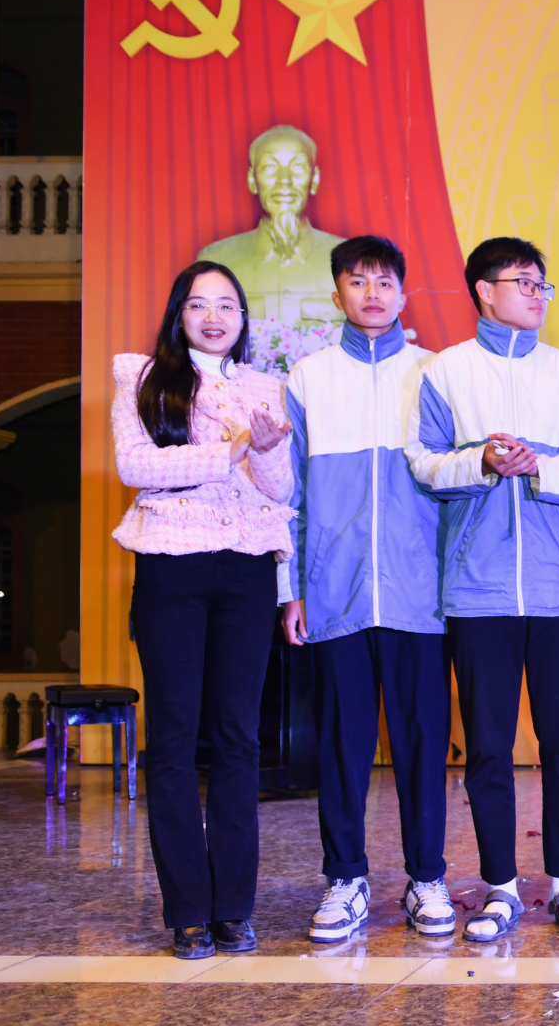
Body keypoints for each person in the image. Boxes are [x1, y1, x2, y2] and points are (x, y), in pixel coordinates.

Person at [408, 237, 559, 943]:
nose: (536, 294)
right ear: (483, 291)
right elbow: (424, 463)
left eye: (541, 283)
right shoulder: (445, 371)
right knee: (488, 747)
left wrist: (538, 466)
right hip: (479, 590)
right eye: (522, 281)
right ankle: (500, 888)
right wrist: (484, 462)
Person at [111, 261, 293, 959]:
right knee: (174, 738)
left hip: (245, 569)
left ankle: (234, 909)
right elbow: (136, 466)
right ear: (178, 314)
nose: (213, 316)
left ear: (243, 319)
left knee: (239, 737)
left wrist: (264, 451)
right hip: (171, 563)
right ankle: (188, 910)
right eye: (198, 304)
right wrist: (229, 451)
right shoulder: (142, 377)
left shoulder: (264, 388)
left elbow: (278, 489)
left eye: (227, 305)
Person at [281, 236, 453, 942]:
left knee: (423, 743)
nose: (372, 293)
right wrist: (292, 586)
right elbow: (287, 492)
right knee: (342, 745)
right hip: (336, 591)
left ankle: (427, 877)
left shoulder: (435, 372)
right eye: (358, 281)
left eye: (385, 282)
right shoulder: (309, 378)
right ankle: (345, 878)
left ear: (404, 294)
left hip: (421, 594)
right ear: (337, 294)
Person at [197, 124, 348, 327]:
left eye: (297, 167)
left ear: (314, 179)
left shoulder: (350, 260)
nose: (284, 181)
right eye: (269, 167)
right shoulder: (217, 259)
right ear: (252, 180)